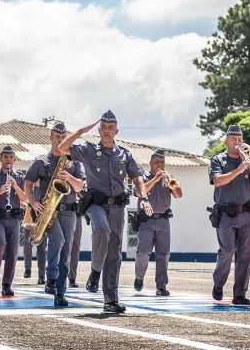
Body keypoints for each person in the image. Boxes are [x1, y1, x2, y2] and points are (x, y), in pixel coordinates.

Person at [59, 111, 149, 313]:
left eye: (111, 128)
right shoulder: (89, 149)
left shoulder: (124, 154)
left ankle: (110, 300)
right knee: (101, 229)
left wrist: (143, 197)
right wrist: (81, 131)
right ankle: (95, 272)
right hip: (95, 204)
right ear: (99, 130)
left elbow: (137, 178)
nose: (107, 131)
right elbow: (62, 148)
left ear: (116, 131)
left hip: (117, 206)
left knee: (114, 254)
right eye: (104, 128)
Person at [25, 121, 85, 306]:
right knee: (57, 239)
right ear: (51, 137)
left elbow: (80, 185)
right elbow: (28, 184)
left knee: (66, 252)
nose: (60, 139)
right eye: (57, 136)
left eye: (63, 137)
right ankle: (51, 277)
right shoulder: (40, 161)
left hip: (68, 211)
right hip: (48, 211)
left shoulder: (74, 162)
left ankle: (60, 292)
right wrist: (34, 203)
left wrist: (70, 178)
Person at [208, 124, 250, 305]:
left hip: (246, 213)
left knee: (246, 254)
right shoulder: (217, 160)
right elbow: (217, 181)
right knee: (227, 250)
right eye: (233, 139)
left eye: (240, 139)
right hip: (225, 214)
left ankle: (239, 293)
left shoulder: (247, 159)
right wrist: (238, 170)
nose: (237, 143)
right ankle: (218, 284)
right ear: (226, 141)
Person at [134, 150, 183, 296]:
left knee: (163, 254)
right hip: (146, 221)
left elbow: (179, 194)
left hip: (163, 220)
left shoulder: (169, 178)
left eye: (162, 163)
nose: (160, 165)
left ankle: (161, 286)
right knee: (143, 252)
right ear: (150, 163)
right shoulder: (143, 177)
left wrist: (169, 181)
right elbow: (138, 192)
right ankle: (139, 277)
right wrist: (155, 179)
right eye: (157, 162)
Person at [0, 145, 28, 296]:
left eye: (11, 157)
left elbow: (24, 198)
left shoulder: (20, 177)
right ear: (0, 159)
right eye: (5, 157)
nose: (8, 160)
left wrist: (15, 186)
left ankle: (7, 285)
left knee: (12, 253)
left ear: (14, 159)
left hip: (14, 219)